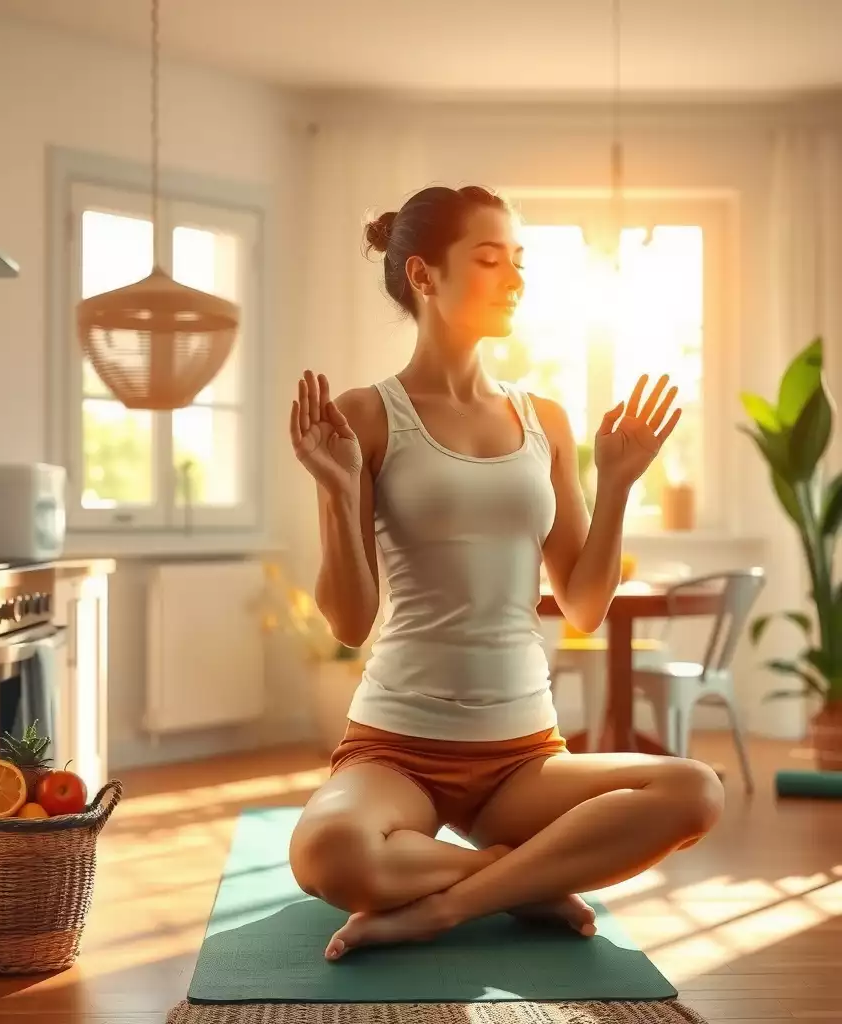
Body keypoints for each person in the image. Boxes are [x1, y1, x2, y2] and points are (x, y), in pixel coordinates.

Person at [287, 185, 724, 962]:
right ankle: (521, 881)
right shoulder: (366, 415)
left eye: (519, 261)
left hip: (523, 755)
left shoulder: (544, 421)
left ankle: (444, 908)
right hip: (396, 746)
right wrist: (333, 487)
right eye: (491, 260)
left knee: (695, 791)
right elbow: (352, 623)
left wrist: (620, 482)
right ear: (423, 277)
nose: (515, 278)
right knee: (326, 855)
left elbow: (584, 605)